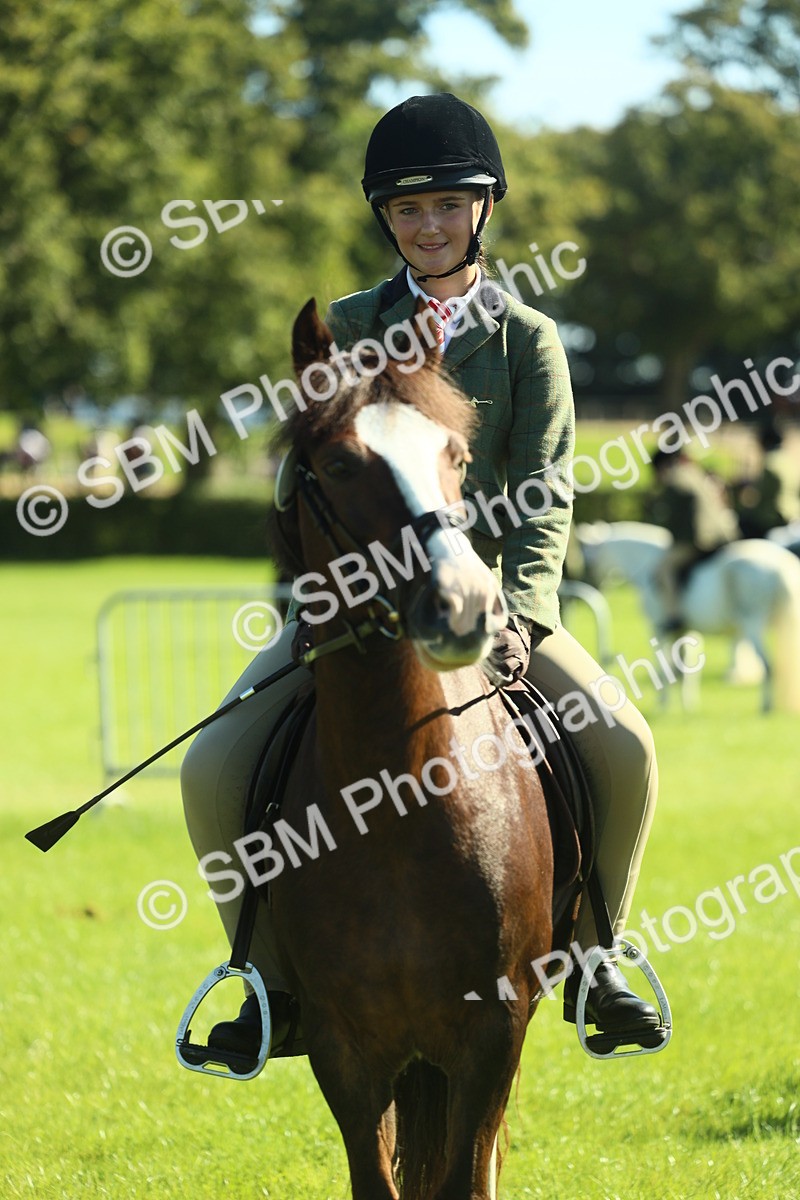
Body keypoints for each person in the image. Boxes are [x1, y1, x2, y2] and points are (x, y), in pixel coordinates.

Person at [181, 93, 662, 1058]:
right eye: (408, 211)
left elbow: (544, 495)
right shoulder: (350, 326)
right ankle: (266, 978)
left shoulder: (529, 341)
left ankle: (597, 955)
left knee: (626, 747)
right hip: (356, 605)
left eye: (447, 204)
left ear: (483, 210)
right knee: (213, 769)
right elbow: (299, 480)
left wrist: (521, 612)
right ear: (387, 222)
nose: (428, 225)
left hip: (486, 600)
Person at [648, 447, 739, 631]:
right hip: (725, 534)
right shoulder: (695, 472)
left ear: (661, 467)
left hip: (701, 540)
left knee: (664, 570)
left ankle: (674, 617)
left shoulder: (674, 480)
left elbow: (670, 516)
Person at [735, 421, 800, 538]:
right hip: (794, 513)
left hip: (776, 518)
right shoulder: (788, 460)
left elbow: (762, 496)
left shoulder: (770, 463)